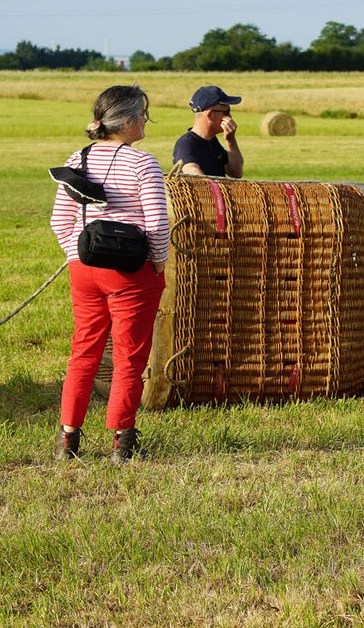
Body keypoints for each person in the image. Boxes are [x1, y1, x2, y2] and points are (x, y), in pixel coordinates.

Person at [49, 85, 170, 462]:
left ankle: (67, 440)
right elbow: (157, 225)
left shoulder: (78, 158)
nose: (146, 122)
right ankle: (122, 441)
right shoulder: (143, 163)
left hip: (84, 269)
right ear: (130, 121)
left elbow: (59, 221)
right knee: (130, 357)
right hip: (131, 272)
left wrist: (77, 256)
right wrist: (158, 263)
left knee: (83, 351)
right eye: (144, 115)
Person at [174, 85, 244, 178]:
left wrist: (230, 140)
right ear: (210, 114)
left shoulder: (212, 142)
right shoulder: (186, 144)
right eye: (226, 112)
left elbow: (236, 173)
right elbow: (193, 173)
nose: (230, 117)